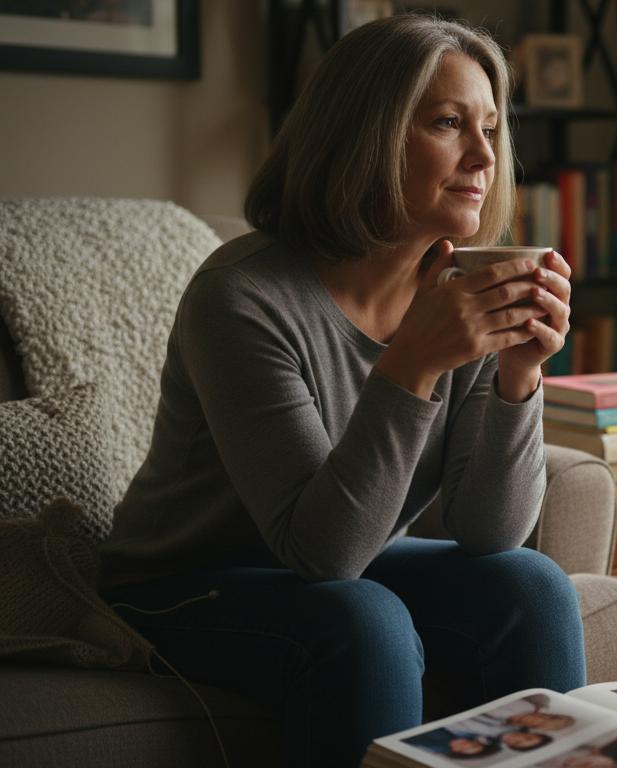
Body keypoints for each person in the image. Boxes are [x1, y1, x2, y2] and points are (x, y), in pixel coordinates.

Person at [98, 14, 583, 768]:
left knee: (532, 586)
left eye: (491, 126)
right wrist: (412, 365)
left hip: (344, 561)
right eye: (449, 123)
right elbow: (323, 555)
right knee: (363, 618)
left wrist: (521, 379)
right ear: (368, 137)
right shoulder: (242, 297)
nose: (485, 155)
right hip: (179, 583)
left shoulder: (466, 285)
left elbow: (493, 533)